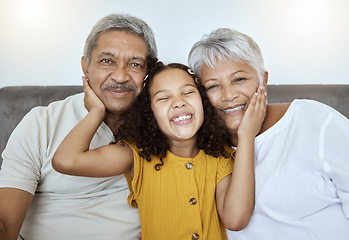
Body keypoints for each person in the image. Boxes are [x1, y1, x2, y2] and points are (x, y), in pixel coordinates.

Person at [52, 62, 267, 239]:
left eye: (188, 93)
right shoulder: (136, 155)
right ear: (150, 113)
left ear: (203, 103)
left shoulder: (220, 158)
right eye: (163, 98)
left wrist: (246, 136)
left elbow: (236, 220)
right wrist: (96, 111)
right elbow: (66, 160)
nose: (178, 103)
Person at [0, 13, 158, 240]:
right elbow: (5, 224)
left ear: (148, 73)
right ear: (86, 66)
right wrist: (96, 113)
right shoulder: (41, 123)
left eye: (135, 64)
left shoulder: (163, 126)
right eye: (107, 61)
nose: (121, 76)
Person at [188, 28, 349, 240]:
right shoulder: (200, 148)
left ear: (263, 80)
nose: (228, 95)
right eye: (213, 86)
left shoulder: (313, 119)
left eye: (239, 80)